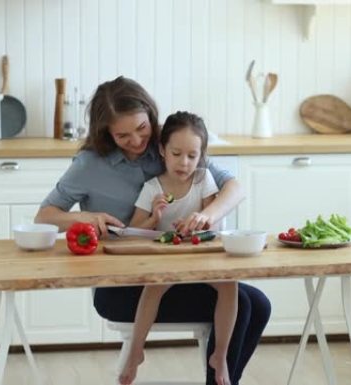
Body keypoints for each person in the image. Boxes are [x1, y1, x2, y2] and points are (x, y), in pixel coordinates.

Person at [35, 76, 271, 385]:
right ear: (106, 131)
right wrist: (88, 217)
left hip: (178, 267)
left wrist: (206, 215)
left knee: (258, 303)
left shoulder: (171, 147)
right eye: (123, 135)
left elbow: (234, 189)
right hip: (121, 285)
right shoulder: (90, 165)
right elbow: (45, 216)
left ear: (151, 116)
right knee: (247, 304)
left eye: (141, 128)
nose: (136, 141)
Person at [120, 112, 237, 385]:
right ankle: (136, 352)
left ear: (201, 156)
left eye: (192, 156)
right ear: (162, 150)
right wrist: (155, 216)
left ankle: (220, 355)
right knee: (154, 287)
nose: (184, 163)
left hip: (198, 258)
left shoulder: (203, 179)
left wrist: (201, 221)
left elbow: (213, 220)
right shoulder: (152, 188)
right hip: (167, 259)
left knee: (230, 283)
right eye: (176, 153)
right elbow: (134, 232)